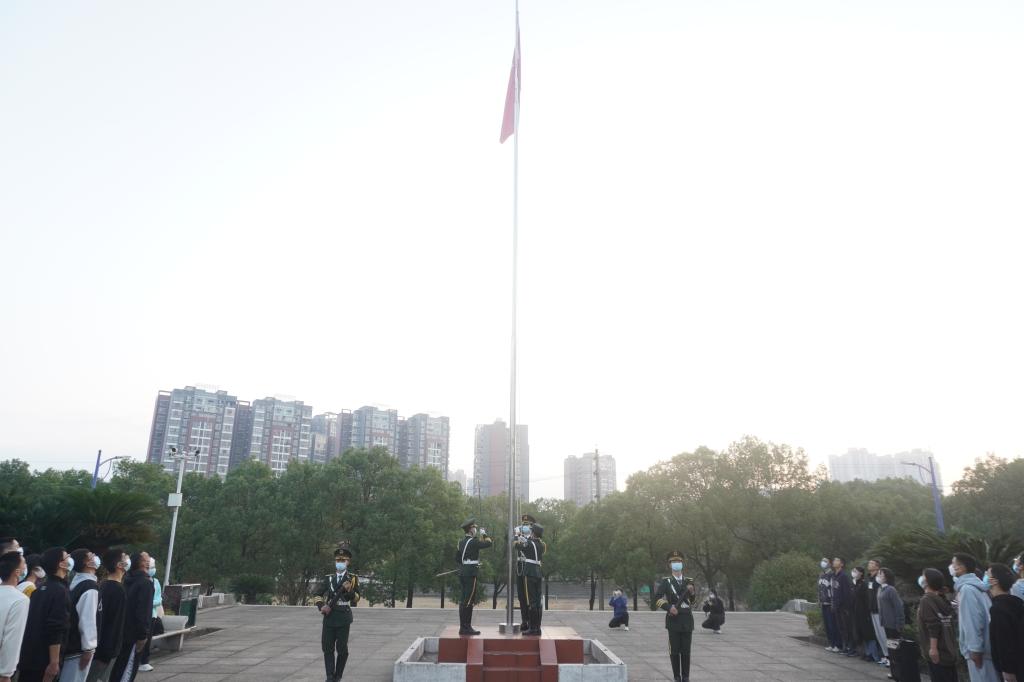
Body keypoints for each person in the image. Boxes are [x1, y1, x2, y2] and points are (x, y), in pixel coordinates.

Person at [18, 547, 73, 682]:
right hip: (44, 661)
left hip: (29, 657)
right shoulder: (60, 591)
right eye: (67, 557)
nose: (70, 559)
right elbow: (56, 628)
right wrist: (54, 662)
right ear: (61, 564)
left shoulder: (39, 590)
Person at [313, 545, 360, 682]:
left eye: (343, 560)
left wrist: (349, 590)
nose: (339, 562)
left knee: (342, 649)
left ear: (348, 562)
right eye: (338, 560)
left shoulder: (352, 578)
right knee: (327, 647)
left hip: (343, 617)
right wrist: (322, 606)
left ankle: (338, 676)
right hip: (329, 616)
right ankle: (329, 676)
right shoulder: (328, 578)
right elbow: (317, 594)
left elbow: (357, 598)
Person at [952, 553, 1000, 682]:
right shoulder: (978, 587)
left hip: (980, 654)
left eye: (954, 564)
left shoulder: (967, 590)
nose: (952, 567)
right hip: (987, 649)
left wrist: (975, 649)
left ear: (962, 567)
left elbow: (972, 621)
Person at [109, 552, 153, 682]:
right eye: (147, 559)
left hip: (122, 632)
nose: (149, 561)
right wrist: (142, 636)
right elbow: (143, 611)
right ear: (142, 563)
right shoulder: (145, 583)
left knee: (118, 669)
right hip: (134, 635)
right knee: (126, 671)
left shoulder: (126, 580)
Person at [86, 550, 128, 682]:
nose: (128, 560)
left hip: (99, 647)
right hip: (107, 650)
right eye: (125, 558)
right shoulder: (118, 590)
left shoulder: (103, 585)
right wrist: (108, 652)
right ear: (119, 565)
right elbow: (114, 623)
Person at [60, 549, 101, 682]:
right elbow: (88, 620)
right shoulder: (90, 587)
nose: (95, 557)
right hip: (78, 649)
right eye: (91, 556)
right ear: (87, 563)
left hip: (71, 645)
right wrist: (89, 649)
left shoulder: (76, 583)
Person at [654, 551, 696, 682]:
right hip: (673, 620)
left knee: (686, 650)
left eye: (678, 561)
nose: (676, 564)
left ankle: (686, 677)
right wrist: (668, 607)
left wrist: (692, 593)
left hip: (687, 619)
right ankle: (677, 676)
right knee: (674, 650)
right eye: (673, 562)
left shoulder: (689, 581)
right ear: (670, 564)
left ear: (682, 563)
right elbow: (657, 598)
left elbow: (693, 601)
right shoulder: (666, 582)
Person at [916, 568, 959, 682]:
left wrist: (933, 649)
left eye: (923, 576)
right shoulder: (942, 599)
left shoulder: (926, 600)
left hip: (937, 652)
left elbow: (933, 626)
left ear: (928, 581)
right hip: (948, 650)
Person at [986, 563, 1024, 682]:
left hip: (1013, 670)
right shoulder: (1017, 603)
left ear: (994, 581)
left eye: (987, 575)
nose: (985, 578)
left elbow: (1004, 641)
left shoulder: (998, 609)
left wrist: (1008, 670)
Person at [455, 518, 492, 636]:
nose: (475, 529)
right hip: (470, 573)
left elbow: (457, 559)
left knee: (464, 600)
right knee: (469, 600)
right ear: (471, 529)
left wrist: (468, 564)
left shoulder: (461, 542)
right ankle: (466, 627)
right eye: (474, 528)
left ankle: (463, 627)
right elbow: (489, 543)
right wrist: (484, 534)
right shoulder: (474, 542)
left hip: (463, 572)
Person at [1, 550, 30, 682]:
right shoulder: (20, 600)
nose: (26, 567)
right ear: (17, 572)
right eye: (24, 564)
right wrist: (6, 673)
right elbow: (12, 639)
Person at [514, 514, 545, 636]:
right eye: (524, 525)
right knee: (526, 598)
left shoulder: (530, 542)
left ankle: (533, 626)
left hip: (529, 571)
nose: (525, 527)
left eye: (528, 526)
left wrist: (517, 536)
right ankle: (530, 624)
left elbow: (517, 545)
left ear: (532, 530)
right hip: (529, 570)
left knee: (531, 600)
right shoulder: (538, 543)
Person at [877, 567, 905, 680]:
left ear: (887, 576)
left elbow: (899, 607)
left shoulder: (891, 590)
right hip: (886, 624)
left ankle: (899, 672)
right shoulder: (881, 589)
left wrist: (899, 623)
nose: (879, 576)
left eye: (881, 574)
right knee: (891, 649)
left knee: (895, 649)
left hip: (893, 625)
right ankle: (894, 672)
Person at [136, 558, 162, 673]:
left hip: (152, 615)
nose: (152, 569)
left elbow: (159, 599)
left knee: (147, 639)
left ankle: (144, 661)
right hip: (143, 614)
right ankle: (138, 661)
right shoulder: (141, 581)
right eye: (149, 567)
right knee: (140, 638)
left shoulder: (155, 582)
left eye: (153, 567)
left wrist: (150, 603)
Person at [853, 566, 881, 662]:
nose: (853, 573)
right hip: (857, 611)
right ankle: (866, 653)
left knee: (869, 634)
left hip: (865, 612)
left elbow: (867, 599)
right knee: (861, 633)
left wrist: (867, 611)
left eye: (855, 571)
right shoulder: (856, 583)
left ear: (861, 573)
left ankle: (873, 654)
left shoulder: (864, 584)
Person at [867, 559, 890, 668]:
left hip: (879, 610)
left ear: (877, 566)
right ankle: (885, 655)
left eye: (872, 563)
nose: (869, 564)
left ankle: (890, 656)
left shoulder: (879, 579)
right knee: (878, 635)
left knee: (883, 634)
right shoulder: (870, 579)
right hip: (872, 609)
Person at [832, 557, 856, 656]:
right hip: (837, 606)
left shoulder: (844, 576)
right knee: (841, 628)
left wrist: (846, 607)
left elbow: (847, 593)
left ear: (841, 564)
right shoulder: (835, 576)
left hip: (844, 607)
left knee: (847, 628)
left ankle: (851, 648)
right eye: (834, 560)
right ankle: (845, 647)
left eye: (837, 560)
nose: (834, 562)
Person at [817, 557, 841, 653]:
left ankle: (837, 645)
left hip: (830, 603)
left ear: (830, 563)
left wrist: (833, 602)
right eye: (822, 561)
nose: (823, 562)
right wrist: (819, 600)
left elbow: (833, 589)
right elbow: (819, 588)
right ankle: (831, 643)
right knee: (827, 625)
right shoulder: (821, 575)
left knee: (832, 625)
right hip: (823, 603)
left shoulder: (832, 575)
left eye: (825, 561)